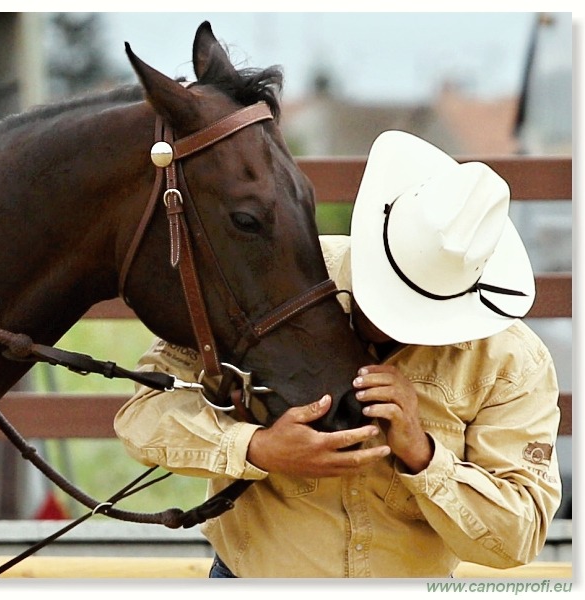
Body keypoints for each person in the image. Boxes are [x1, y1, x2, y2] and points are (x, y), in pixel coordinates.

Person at [113, 130, 562, 578]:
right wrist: (259, 448)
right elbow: (144, 412)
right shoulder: (273, 281)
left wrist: (423, 455)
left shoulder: (511, 361)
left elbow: (518, 536)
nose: (388, 325)